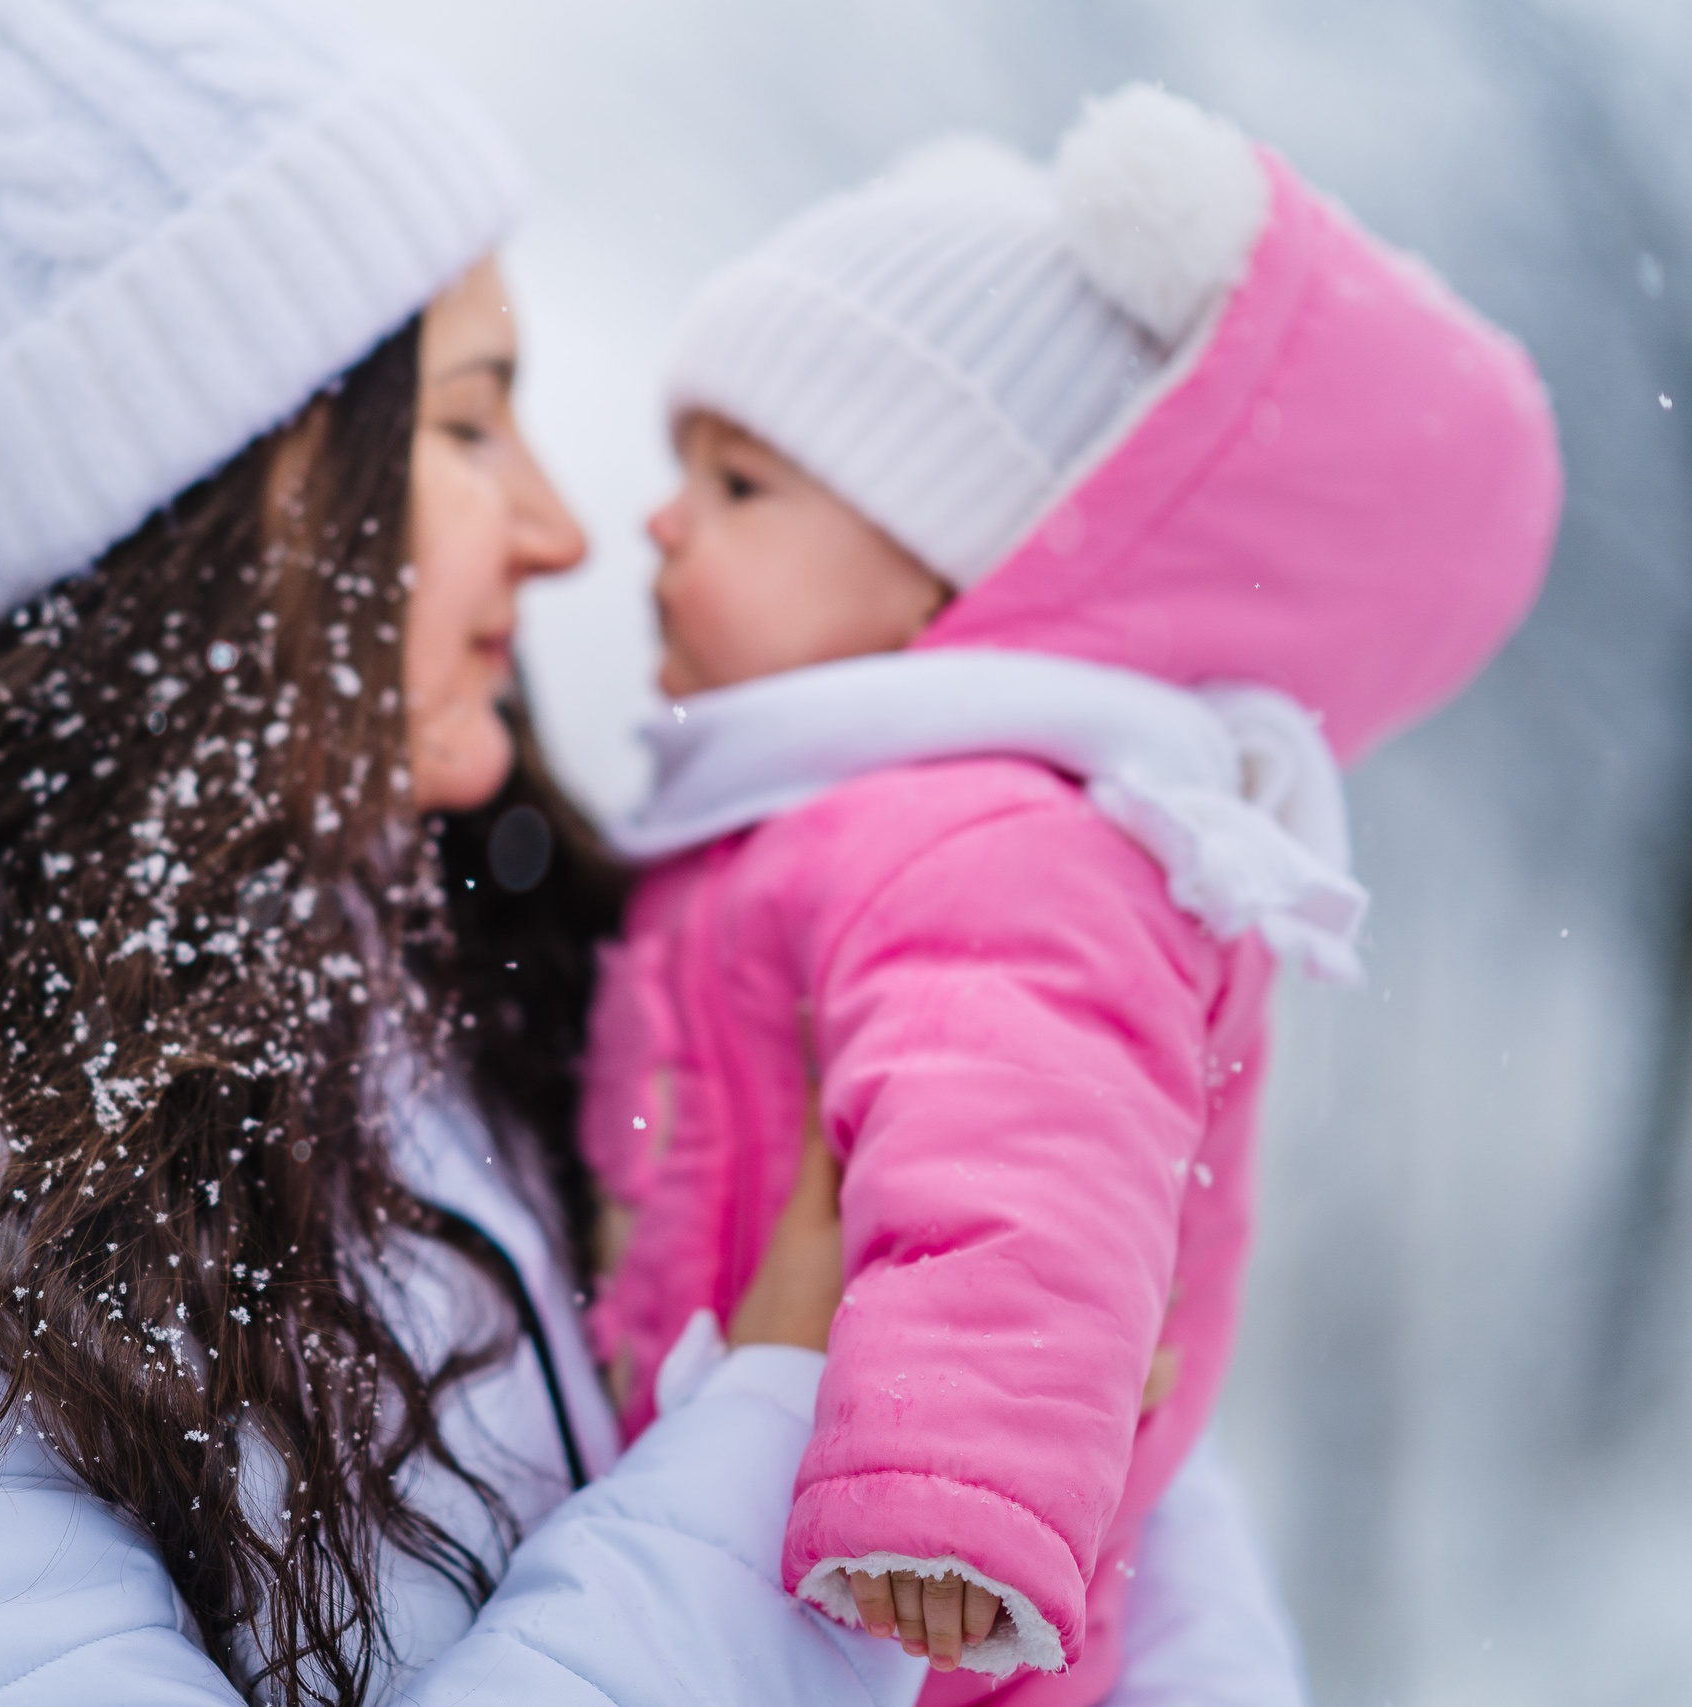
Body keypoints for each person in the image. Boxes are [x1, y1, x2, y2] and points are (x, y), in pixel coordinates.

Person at [0, 9, 1312, 1704]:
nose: (558, 531)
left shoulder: (459, 996)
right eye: (467, 427)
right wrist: (793, 1415)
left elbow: (1124, 1471)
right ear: (204, 504)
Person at [580, 85, 1562, 1701]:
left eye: (743, 486)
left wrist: (946, 1497)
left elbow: (1029, 1164)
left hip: (917, 1626)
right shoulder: (811, 820)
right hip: (742, 1590)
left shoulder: (990, 834)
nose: (660, 523)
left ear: (964, 569)